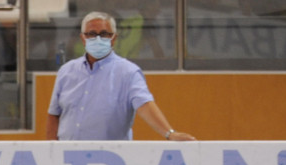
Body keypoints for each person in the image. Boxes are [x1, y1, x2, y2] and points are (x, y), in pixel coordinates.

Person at [46, 11, 196, 142]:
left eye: (104, 34)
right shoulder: (66, 71)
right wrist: (51, 151)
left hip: (110, 158)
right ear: (82, 38)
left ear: (114, 38)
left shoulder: (128, 72)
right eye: (91, 34)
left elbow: (144, 104)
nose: (97, 39)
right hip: (67, 158)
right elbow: (54, 115)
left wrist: (169, 133)